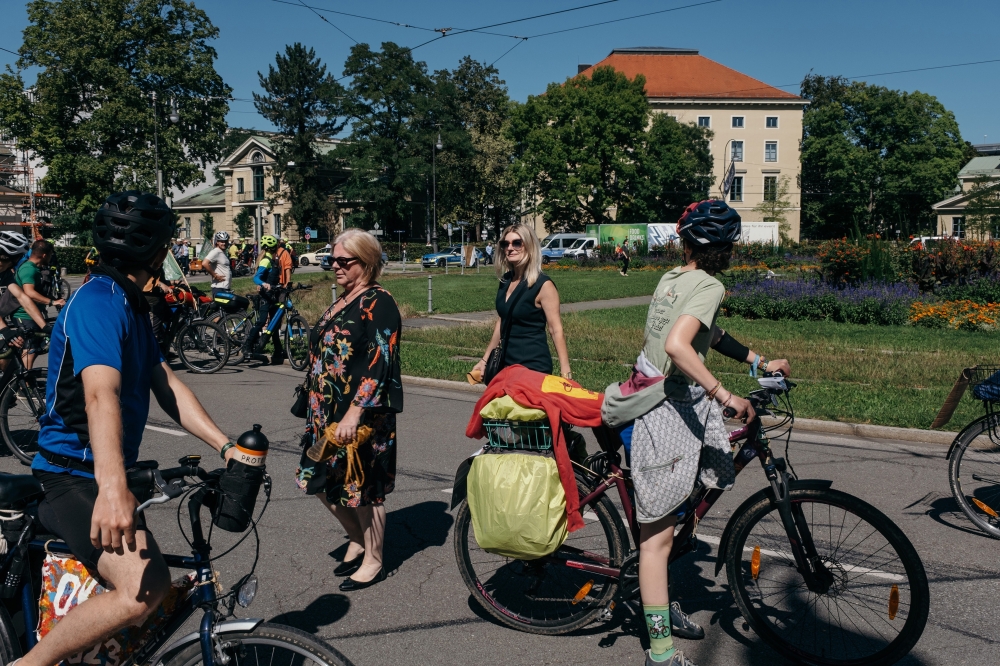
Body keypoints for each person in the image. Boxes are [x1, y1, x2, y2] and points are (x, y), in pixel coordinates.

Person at [20, 191, 238, 666]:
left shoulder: (130, 304)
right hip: (70, 475)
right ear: (160, 251)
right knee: (144, 588)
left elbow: (166, 383)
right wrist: (113, 488)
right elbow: (102, 395)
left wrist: (226, 447)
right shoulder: (99, 300)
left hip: (95, 471)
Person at [610, 200, 790, 666]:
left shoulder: (674, 278)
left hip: (659, 402)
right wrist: (726, 395)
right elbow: (678, 344)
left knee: (676, 520)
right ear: (723, 247)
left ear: (688, 244)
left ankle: (658, 603)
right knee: (656, 543)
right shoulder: (709, 284)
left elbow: (704, 333)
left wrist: (758, 362)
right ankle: (661, 654)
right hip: (664, 413)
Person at [295, 229, 402, 591]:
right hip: (324, 412)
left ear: (368, 262)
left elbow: (380, 363)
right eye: (333, 259)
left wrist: (355, 412)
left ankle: (374, 559)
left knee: (363, 487)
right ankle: (356, 537)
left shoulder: (378, 301)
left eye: (344, 261)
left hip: (360, 413)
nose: (335, 266)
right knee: (317, 479)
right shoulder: (343, 299)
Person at [472, 223, 571, 382]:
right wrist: (484, 360)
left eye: (517, 243)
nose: (510, 248)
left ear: (529, 245)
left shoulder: (543, 285)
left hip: (533, 367)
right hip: (506, 364)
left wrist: (566, 373)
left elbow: (555, 329)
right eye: (506, 244)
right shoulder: (505, 280)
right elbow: (503, 320)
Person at [0, 232, 50, 371]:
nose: (7, 265)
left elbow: (23, 297)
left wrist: (45, 326)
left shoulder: (5, 273)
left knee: (6, 357)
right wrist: (5, 330)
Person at [13, 239, 65, 370]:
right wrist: (53, 302)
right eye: (51, 254)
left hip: (32, 314)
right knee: (30, 348)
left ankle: (21, 377)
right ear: (44, 255)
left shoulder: (34, 268)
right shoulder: (29, 269)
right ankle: (24, 383)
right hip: (24, 314)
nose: (51, 257)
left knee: (34, 346)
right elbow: (29, 292)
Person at [245, 235, 285, 365]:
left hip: (273, 295)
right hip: (265, 296)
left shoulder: (273, 260)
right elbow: (256, 278)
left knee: (274, 323)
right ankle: (247, 346)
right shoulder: (266, 261)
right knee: (262, 321)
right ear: (274, 248)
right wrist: (264, 284)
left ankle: (278, 350)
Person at [204, 231, 232, 298]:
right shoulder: (216, 252)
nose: (224, 243)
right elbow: (205, 263)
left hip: (225, 287)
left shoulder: (223, 252)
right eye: (222, 241)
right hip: (219, 288)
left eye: (226, 241)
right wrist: (215, 275)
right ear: (217, 242)